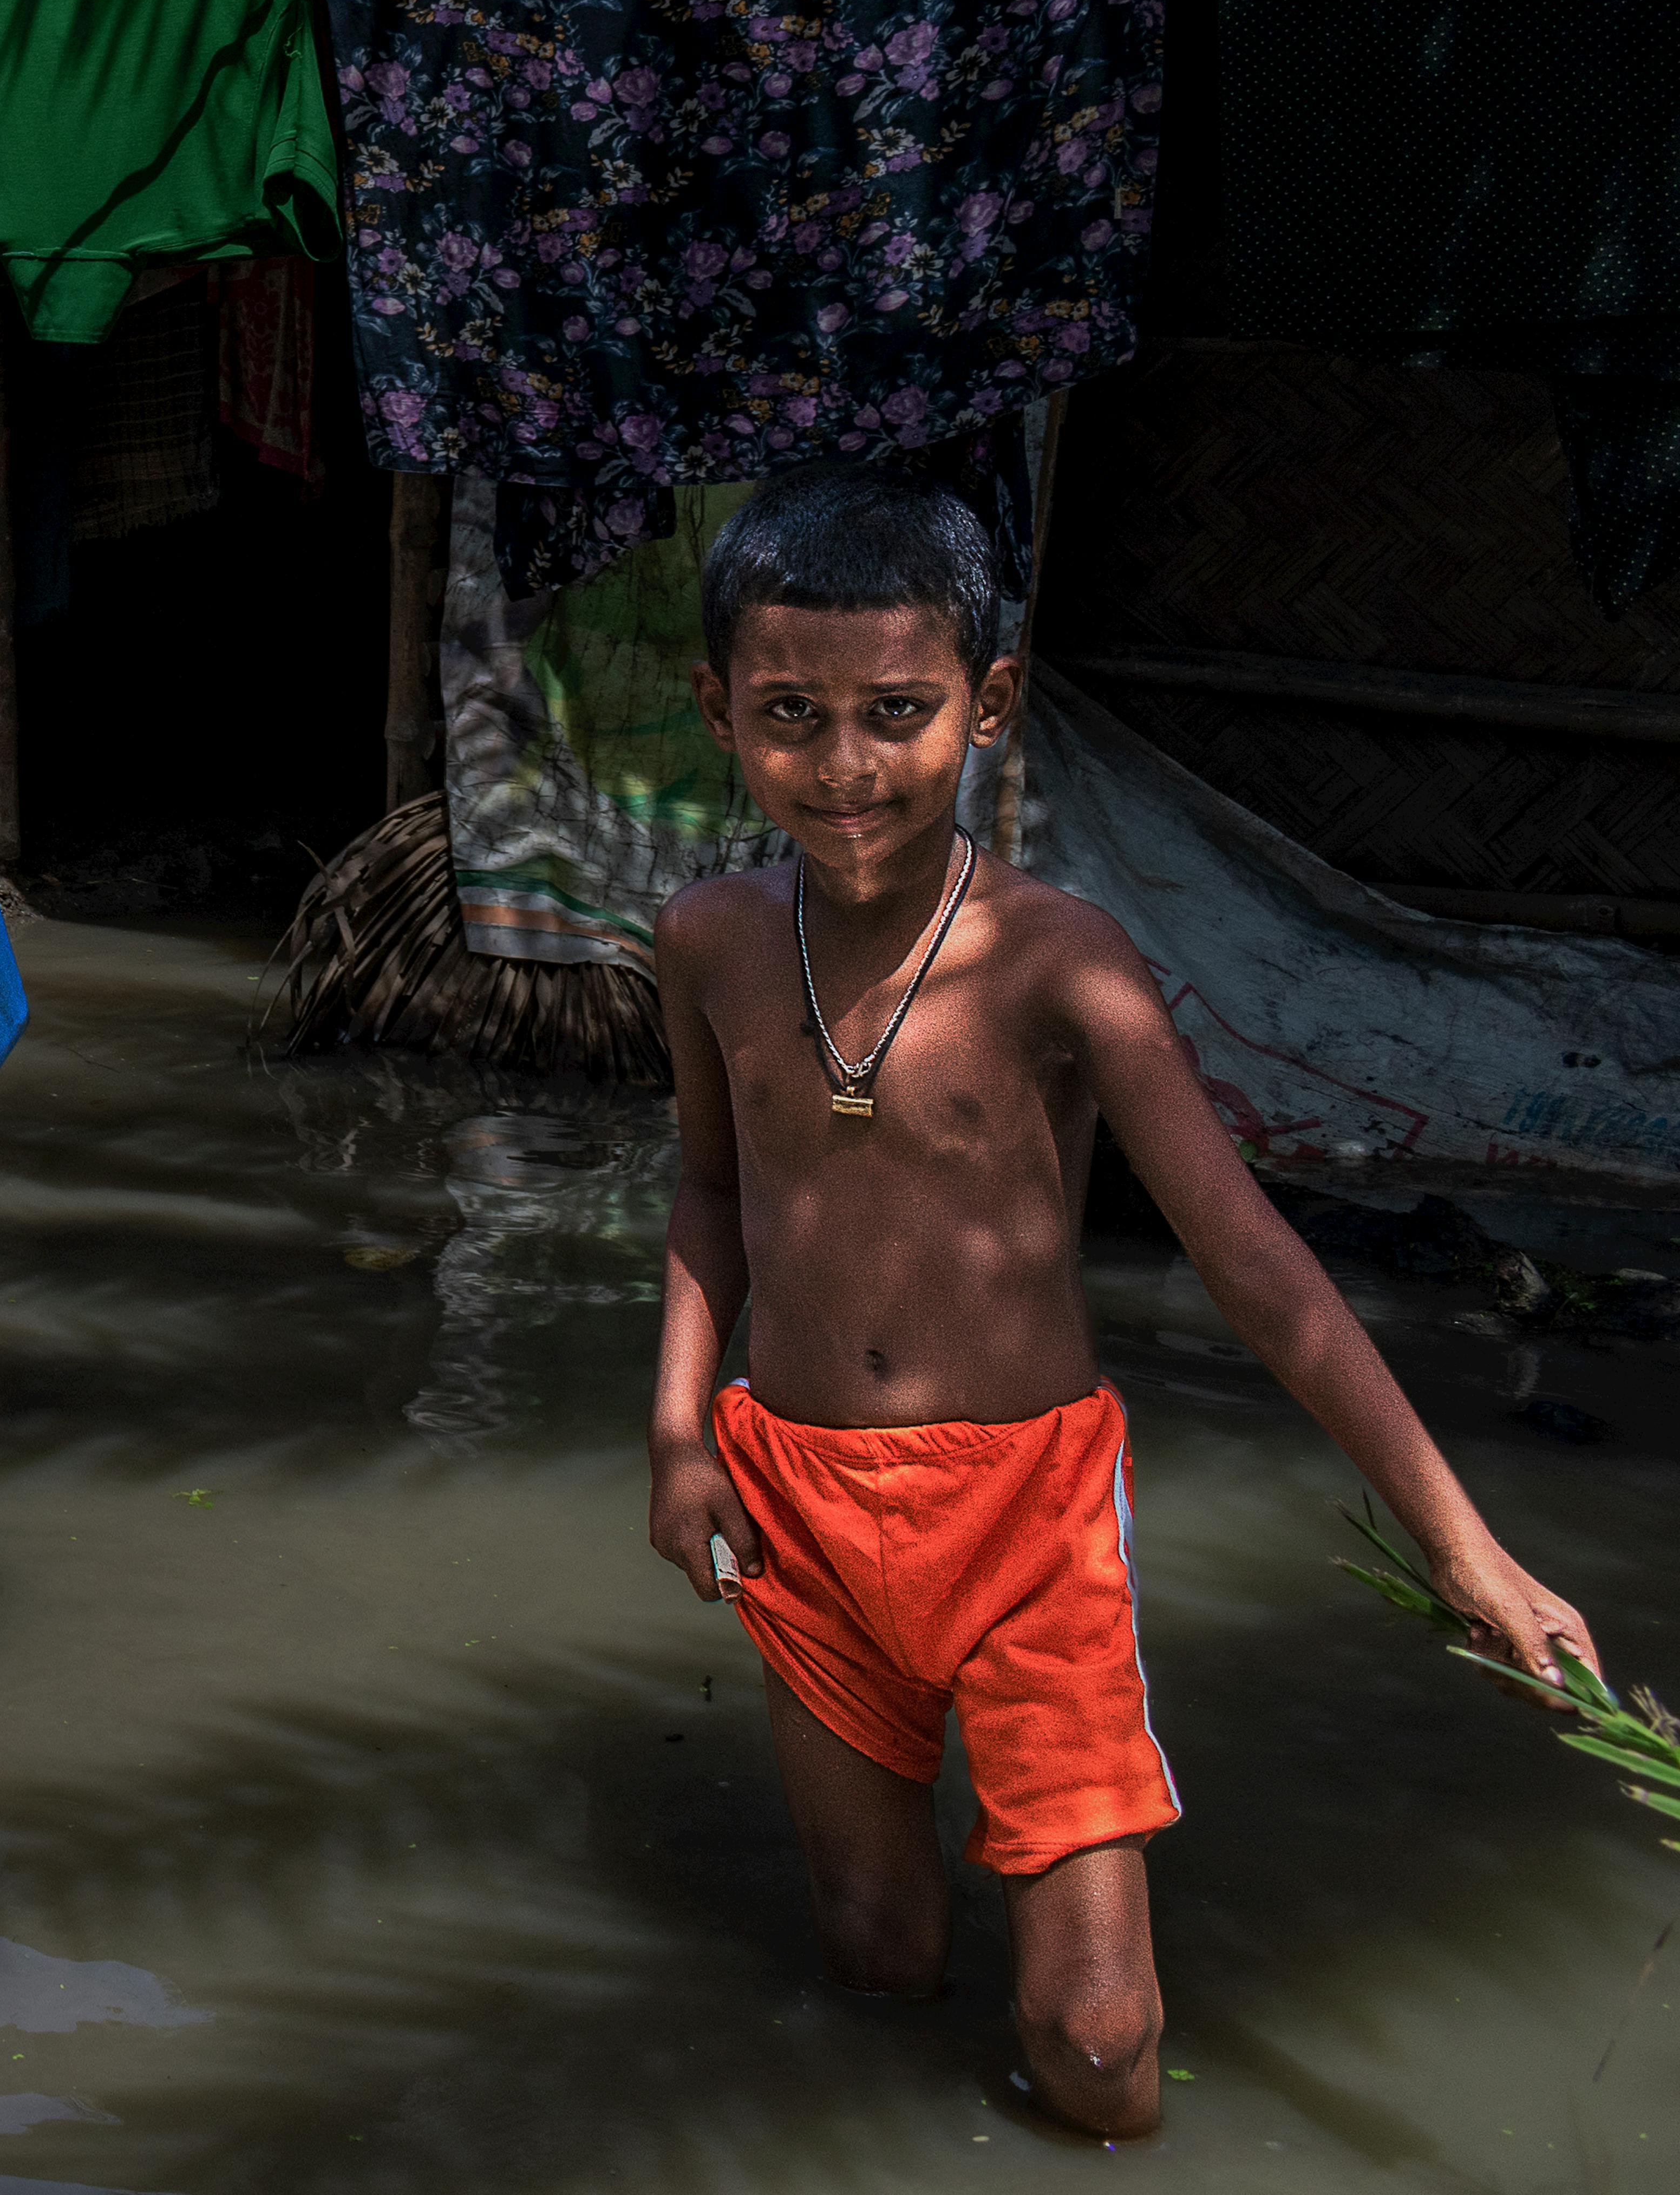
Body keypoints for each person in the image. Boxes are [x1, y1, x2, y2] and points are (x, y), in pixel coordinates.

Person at [648, 462, 1597, 2141]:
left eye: (897, 711)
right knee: (874, 1947)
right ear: (717, 706)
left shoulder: (1057, 957)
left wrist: (1464, 1542)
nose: (847, 765)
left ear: (988, 703)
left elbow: (1254, 1261)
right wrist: (679, 1431)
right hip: (794, 1487)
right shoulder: (713, 939)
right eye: (791, 713)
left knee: (1095, 2033)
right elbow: (713, 1192)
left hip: (1025, 1520)